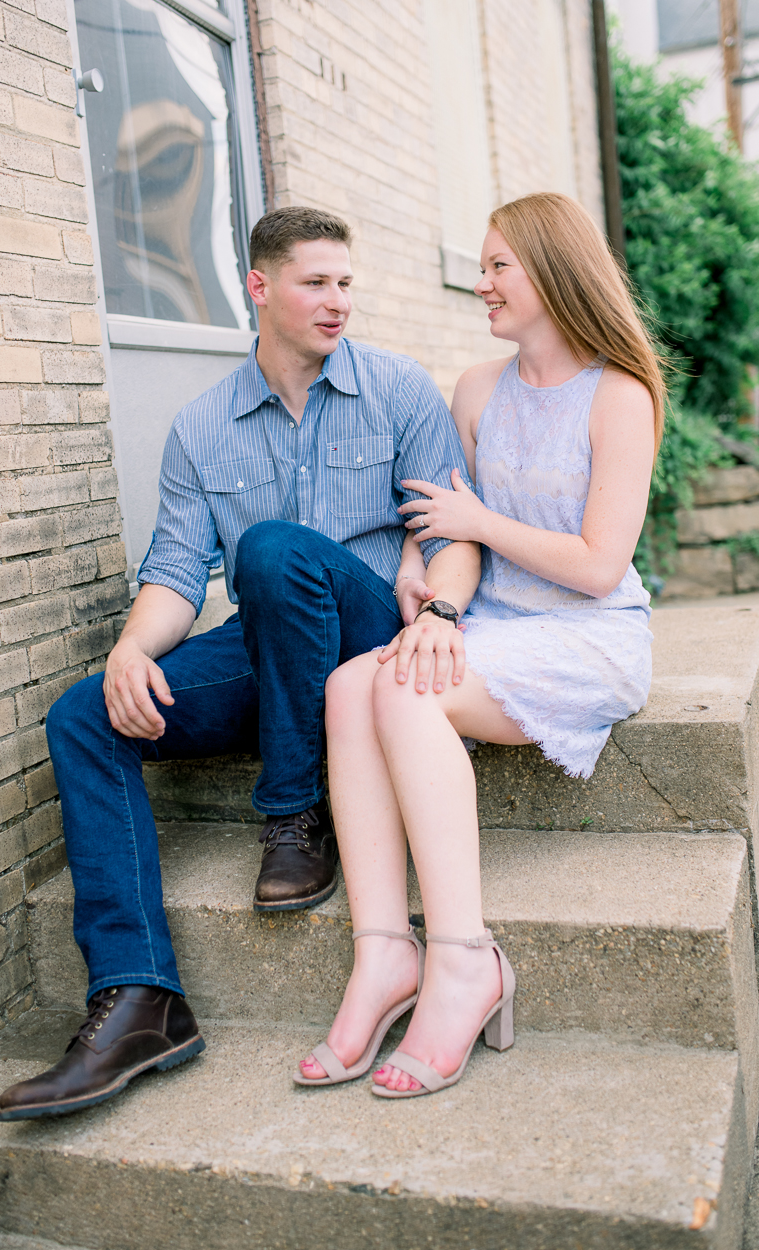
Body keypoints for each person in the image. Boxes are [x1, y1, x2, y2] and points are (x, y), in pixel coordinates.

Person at [0, 206, 480, 1121]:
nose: (338, 301)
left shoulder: (398, 389)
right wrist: (130, 652)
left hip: (368, 638)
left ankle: (294, 814)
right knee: (81, 714)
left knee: (270, 549)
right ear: (260, 288)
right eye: (316, 283)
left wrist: (443, 610)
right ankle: (140, 997)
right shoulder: (202, 427)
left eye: (346, 282)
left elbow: (449, 533)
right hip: (272, 650)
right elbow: (177, 573)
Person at [295, 191, 663, 1098]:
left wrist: (476, 524)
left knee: (404, 694)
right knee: (350, 686)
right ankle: (383, 955)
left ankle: (463, 959)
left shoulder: (619, 395)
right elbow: (442, 531)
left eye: (498, 265)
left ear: (552, 271)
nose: (480, 282)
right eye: (483, 264)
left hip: (585, 635)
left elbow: (596, 562)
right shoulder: (476, 389)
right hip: (491, 621)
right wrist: (423, 584)